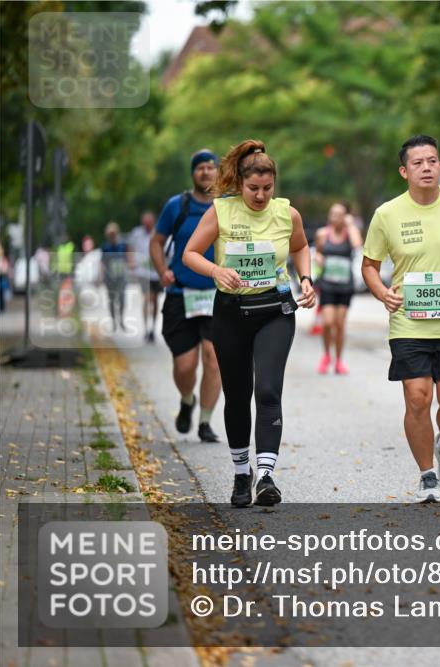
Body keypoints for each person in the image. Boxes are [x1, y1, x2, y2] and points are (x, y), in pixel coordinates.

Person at [183, 139, 315, 507]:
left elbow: (300, 246)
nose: (260, 196)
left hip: (275, 311)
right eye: (253, 189)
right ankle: (242, 473)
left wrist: (305, 279)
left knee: (269, 391)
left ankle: (267, 476)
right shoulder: (220, 212)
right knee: (237, 395)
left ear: (275, 184)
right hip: (231, 314)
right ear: (240, 183)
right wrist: (216, 270)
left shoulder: (287, 214)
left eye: (267, 189)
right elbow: (190, 253)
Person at [361, 135, 440, 503]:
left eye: (432, 161)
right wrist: (382, 292)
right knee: (417, 399)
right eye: (418, 163)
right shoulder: (387, 214)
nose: (427, 167)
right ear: (404, 171)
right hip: (409, 322)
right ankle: (427, 475)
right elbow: (369, 265)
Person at [150, 150, 223, 443]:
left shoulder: (227, 207)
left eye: (210, 167)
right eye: (200, 168)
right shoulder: (176, 206)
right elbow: (157, 242)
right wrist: (162, 270)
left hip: (217, 294)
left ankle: (205, 421)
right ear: (193, 173)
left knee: (214, 359)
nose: (206, 172)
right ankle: (186, 399)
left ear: (218, 172)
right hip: (181, 293)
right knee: (185, 365)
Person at [314, 201, 363, 374]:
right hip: (327, 284)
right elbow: (318, 251)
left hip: (345, 286)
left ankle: (339, 360)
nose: (335, 218)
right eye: (332, 214)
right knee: (327, 323)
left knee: (340, 324)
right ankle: (327, 355)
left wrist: (350, 224)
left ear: (345, 217)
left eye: (339, 215)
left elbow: (358, 245)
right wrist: (318, 257)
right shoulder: (322, 234)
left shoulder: (350, 233)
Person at [128, 211, 163, 342]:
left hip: (156, 272)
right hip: (143, 272)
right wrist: (131, 262)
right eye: (145, 223)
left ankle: (152, 328)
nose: (147, 225)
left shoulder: (159, 232)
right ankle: (145, 327)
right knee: (147, 297)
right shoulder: (137, 233)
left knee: (155, 300)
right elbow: (130, 248)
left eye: (149, 223)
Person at [100, 222, 131, 332]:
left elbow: (128, 258)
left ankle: (121, 319)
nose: (112, 236)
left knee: (122, 298)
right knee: (112, 300)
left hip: (121, 275)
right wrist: (102, 276)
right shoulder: (105, 247)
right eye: (110, 234)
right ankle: (113, 321)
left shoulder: (122, 245)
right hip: (110, 277)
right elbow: (102, 262)